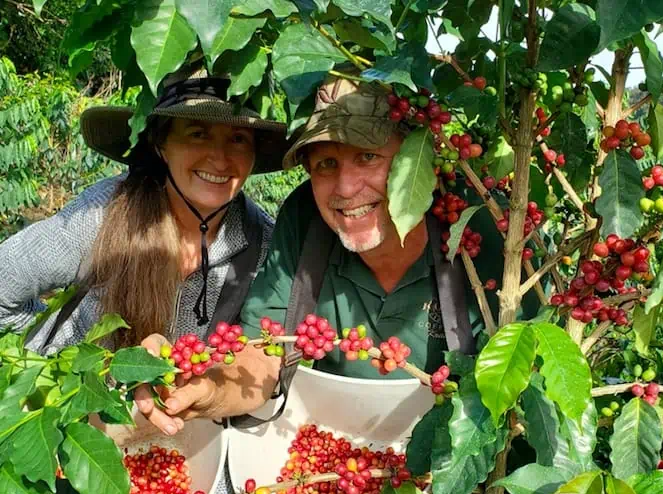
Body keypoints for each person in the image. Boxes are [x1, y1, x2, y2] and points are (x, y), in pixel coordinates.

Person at [135, 74, 538, 434]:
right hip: (341, 448)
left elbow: (523, 390)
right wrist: (210, 389)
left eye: (368, 156)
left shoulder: (485, 230)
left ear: (419, 160)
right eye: (327, 163)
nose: (345, 188)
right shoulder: (306, 221)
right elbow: (263, 351)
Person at [0, 63, 288, 383]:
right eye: (197, 134)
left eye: (237, 139)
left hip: (177, 428)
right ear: (161, 144)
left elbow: (258, 358)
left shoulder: (263, 244)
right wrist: (48, 363)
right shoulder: (104, 213)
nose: (219, 159)